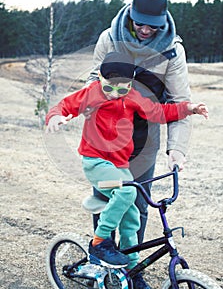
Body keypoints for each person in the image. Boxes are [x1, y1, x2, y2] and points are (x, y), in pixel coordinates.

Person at [46, 52, 208, 289]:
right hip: (96, 163)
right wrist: (55, 116)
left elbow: (159, 112)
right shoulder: (92, 92)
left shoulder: (132, 96)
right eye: (110, 87)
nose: (116, 93)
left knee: (132, 215)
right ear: (101, 78)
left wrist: (189, 108)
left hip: (120, 166)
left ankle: (131, 269)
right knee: (126, 193)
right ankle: (100, 241)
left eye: (123, 88)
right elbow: (66, 105)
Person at [86, 0, 193, 249]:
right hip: (106, 139)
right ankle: (102, 261)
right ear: (131, 14)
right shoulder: (109, 39)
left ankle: (131, 269)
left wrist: (176, 149)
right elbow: (93, 77)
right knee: (106, 199)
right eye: (140, 24)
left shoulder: (172, 51)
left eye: (152, 26)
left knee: (138, 204)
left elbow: (180, 102)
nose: (145, 30)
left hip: (144, 139)